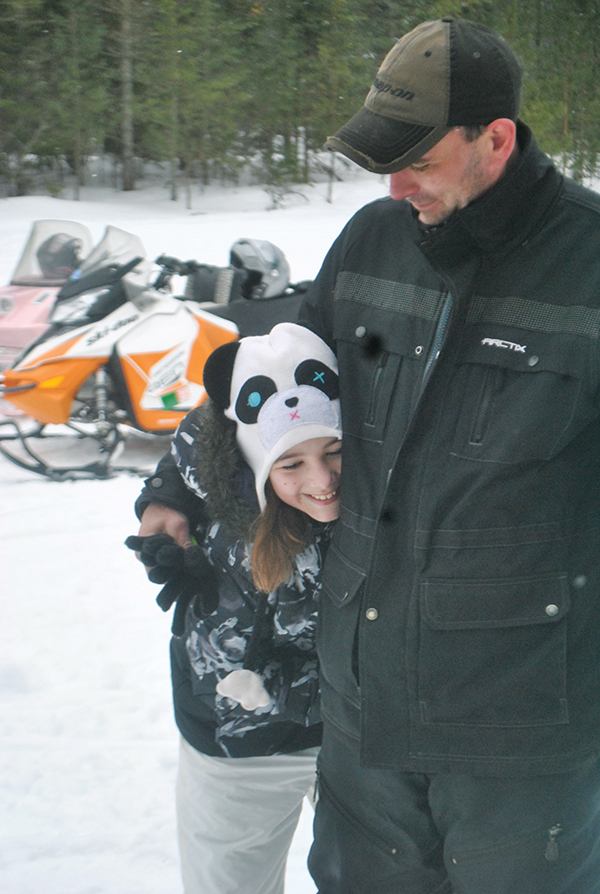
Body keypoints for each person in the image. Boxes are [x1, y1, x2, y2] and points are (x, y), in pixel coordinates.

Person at [294, 15, 600, 894]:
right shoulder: (370, 241)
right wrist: (182, 483)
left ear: (494, 139)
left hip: (523, 745)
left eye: (419, 161)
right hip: (364, 725)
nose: (396, 187)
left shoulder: (589, 263)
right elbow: (284, 386)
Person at [127, 322, 342, 894]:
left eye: (335, 453)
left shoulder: (376, 491)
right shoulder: (212, 483)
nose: (322, 481)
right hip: (237, 739)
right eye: (290, 465)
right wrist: (165, 503)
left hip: (357, 734)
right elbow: (213, 422)